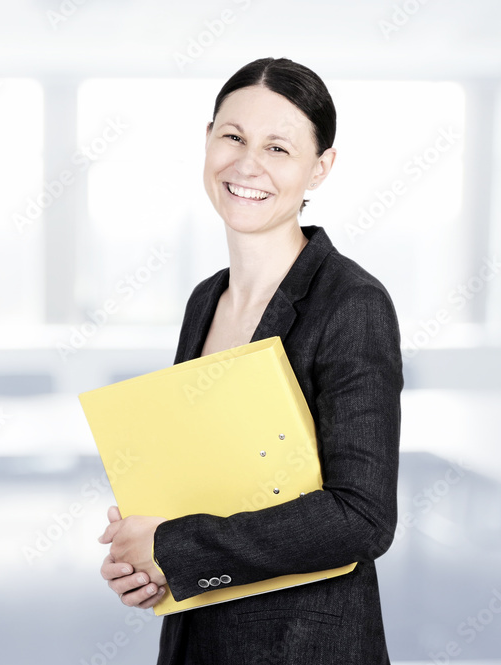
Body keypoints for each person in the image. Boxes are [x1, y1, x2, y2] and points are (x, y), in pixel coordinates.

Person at [96, 57, 404, 663]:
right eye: (233, 137)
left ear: (320, 168)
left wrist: (174, 547)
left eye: (278, 148)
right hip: (199, 639)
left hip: (305, 647)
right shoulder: (205, 300)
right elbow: (204, 485)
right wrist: (152, 565)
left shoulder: (352, 303)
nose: (246, 165)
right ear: (207, 140)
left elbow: (362, 516)